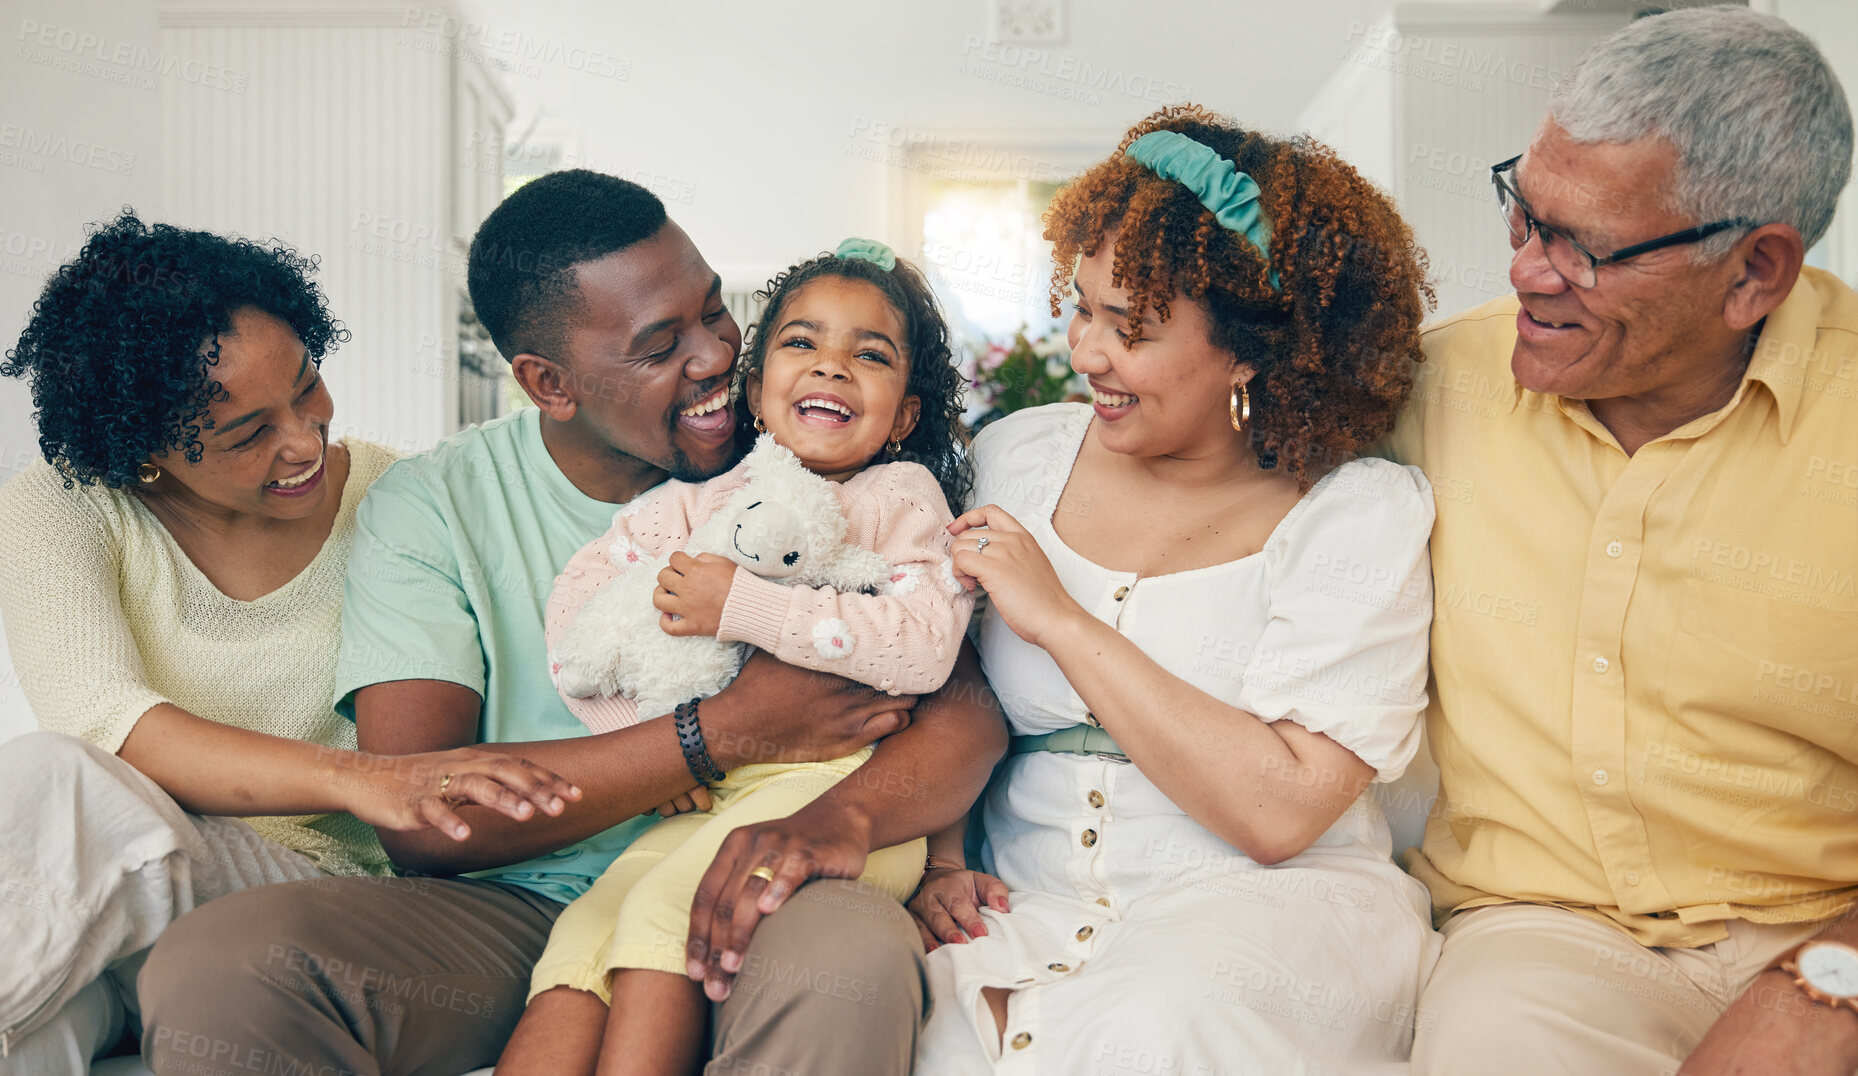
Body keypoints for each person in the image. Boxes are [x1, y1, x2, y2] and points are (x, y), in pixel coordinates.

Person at [134, 171, 1008, 1076]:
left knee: (844, 966)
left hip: (766, 865)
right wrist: (721, 733)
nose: (714, 358)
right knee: (223, 967)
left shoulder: (816, 448)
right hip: (516, 911)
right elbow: (428, 818)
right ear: (549, 383)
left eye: (715, 313)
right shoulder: (435, 507)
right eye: (660, 345)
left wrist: (852, 819)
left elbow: (965, 704)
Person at [909, 104, 1442, 1074]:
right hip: (1021, 906)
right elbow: (930, 670)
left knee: (1155, 1031)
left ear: (1251, 348)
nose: (1085, 353)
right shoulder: (1017, 457)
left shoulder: (1353, 513)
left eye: (1133, 328)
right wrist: (938, 856)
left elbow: (1281, 812)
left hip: (1261, 914)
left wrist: (1063, 622)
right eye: (1080, 307)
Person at [1376, 9, 1858, 1075]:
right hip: (1546, 933)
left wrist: (1825, 985)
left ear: (1755, 273)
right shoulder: (1428, 387)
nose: (1527, 274)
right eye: (1523, 213)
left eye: (1583, 248)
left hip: (1830, 928)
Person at [0, 213, 577, 1073]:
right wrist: (369, 778)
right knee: (44, 1023)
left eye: (307, 387)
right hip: (126, 895)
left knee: (51, 784)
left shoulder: (399, 496)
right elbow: (106, 721)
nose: (305, 441)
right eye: (247, 434)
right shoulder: (64, 504)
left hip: (320, 901)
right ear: (145, 451)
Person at [501, 238, 974, 1075]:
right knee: (579, 941)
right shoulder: (696, 503)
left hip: (847, 787)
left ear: (904, 414)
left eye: (869, 355)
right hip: (710, 792)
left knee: (656, 915)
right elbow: (579, 619)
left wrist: (744, 605)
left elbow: (924, 647)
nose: (831, 367)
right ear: (755, 390)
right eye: (802, 342)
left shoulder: (900, 501)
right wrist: (660, 739)